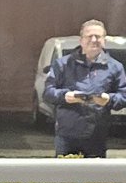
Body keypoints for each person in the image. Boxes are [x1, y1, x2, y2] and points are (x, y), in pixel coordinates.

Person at [42, 19, 126, 157]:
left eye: (98, 36)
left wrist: (109, 99)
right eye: (89, 36)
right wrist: (65, 96)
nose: (94, 40)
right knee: (65, 176)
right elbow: (48, 93)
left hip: (97, 135)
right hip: (67, 134)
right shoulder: (63, 64)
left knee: (94, 177)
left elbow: (123, 96)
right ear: (81, 40)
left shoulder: (115, 67)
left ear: (104, 40)